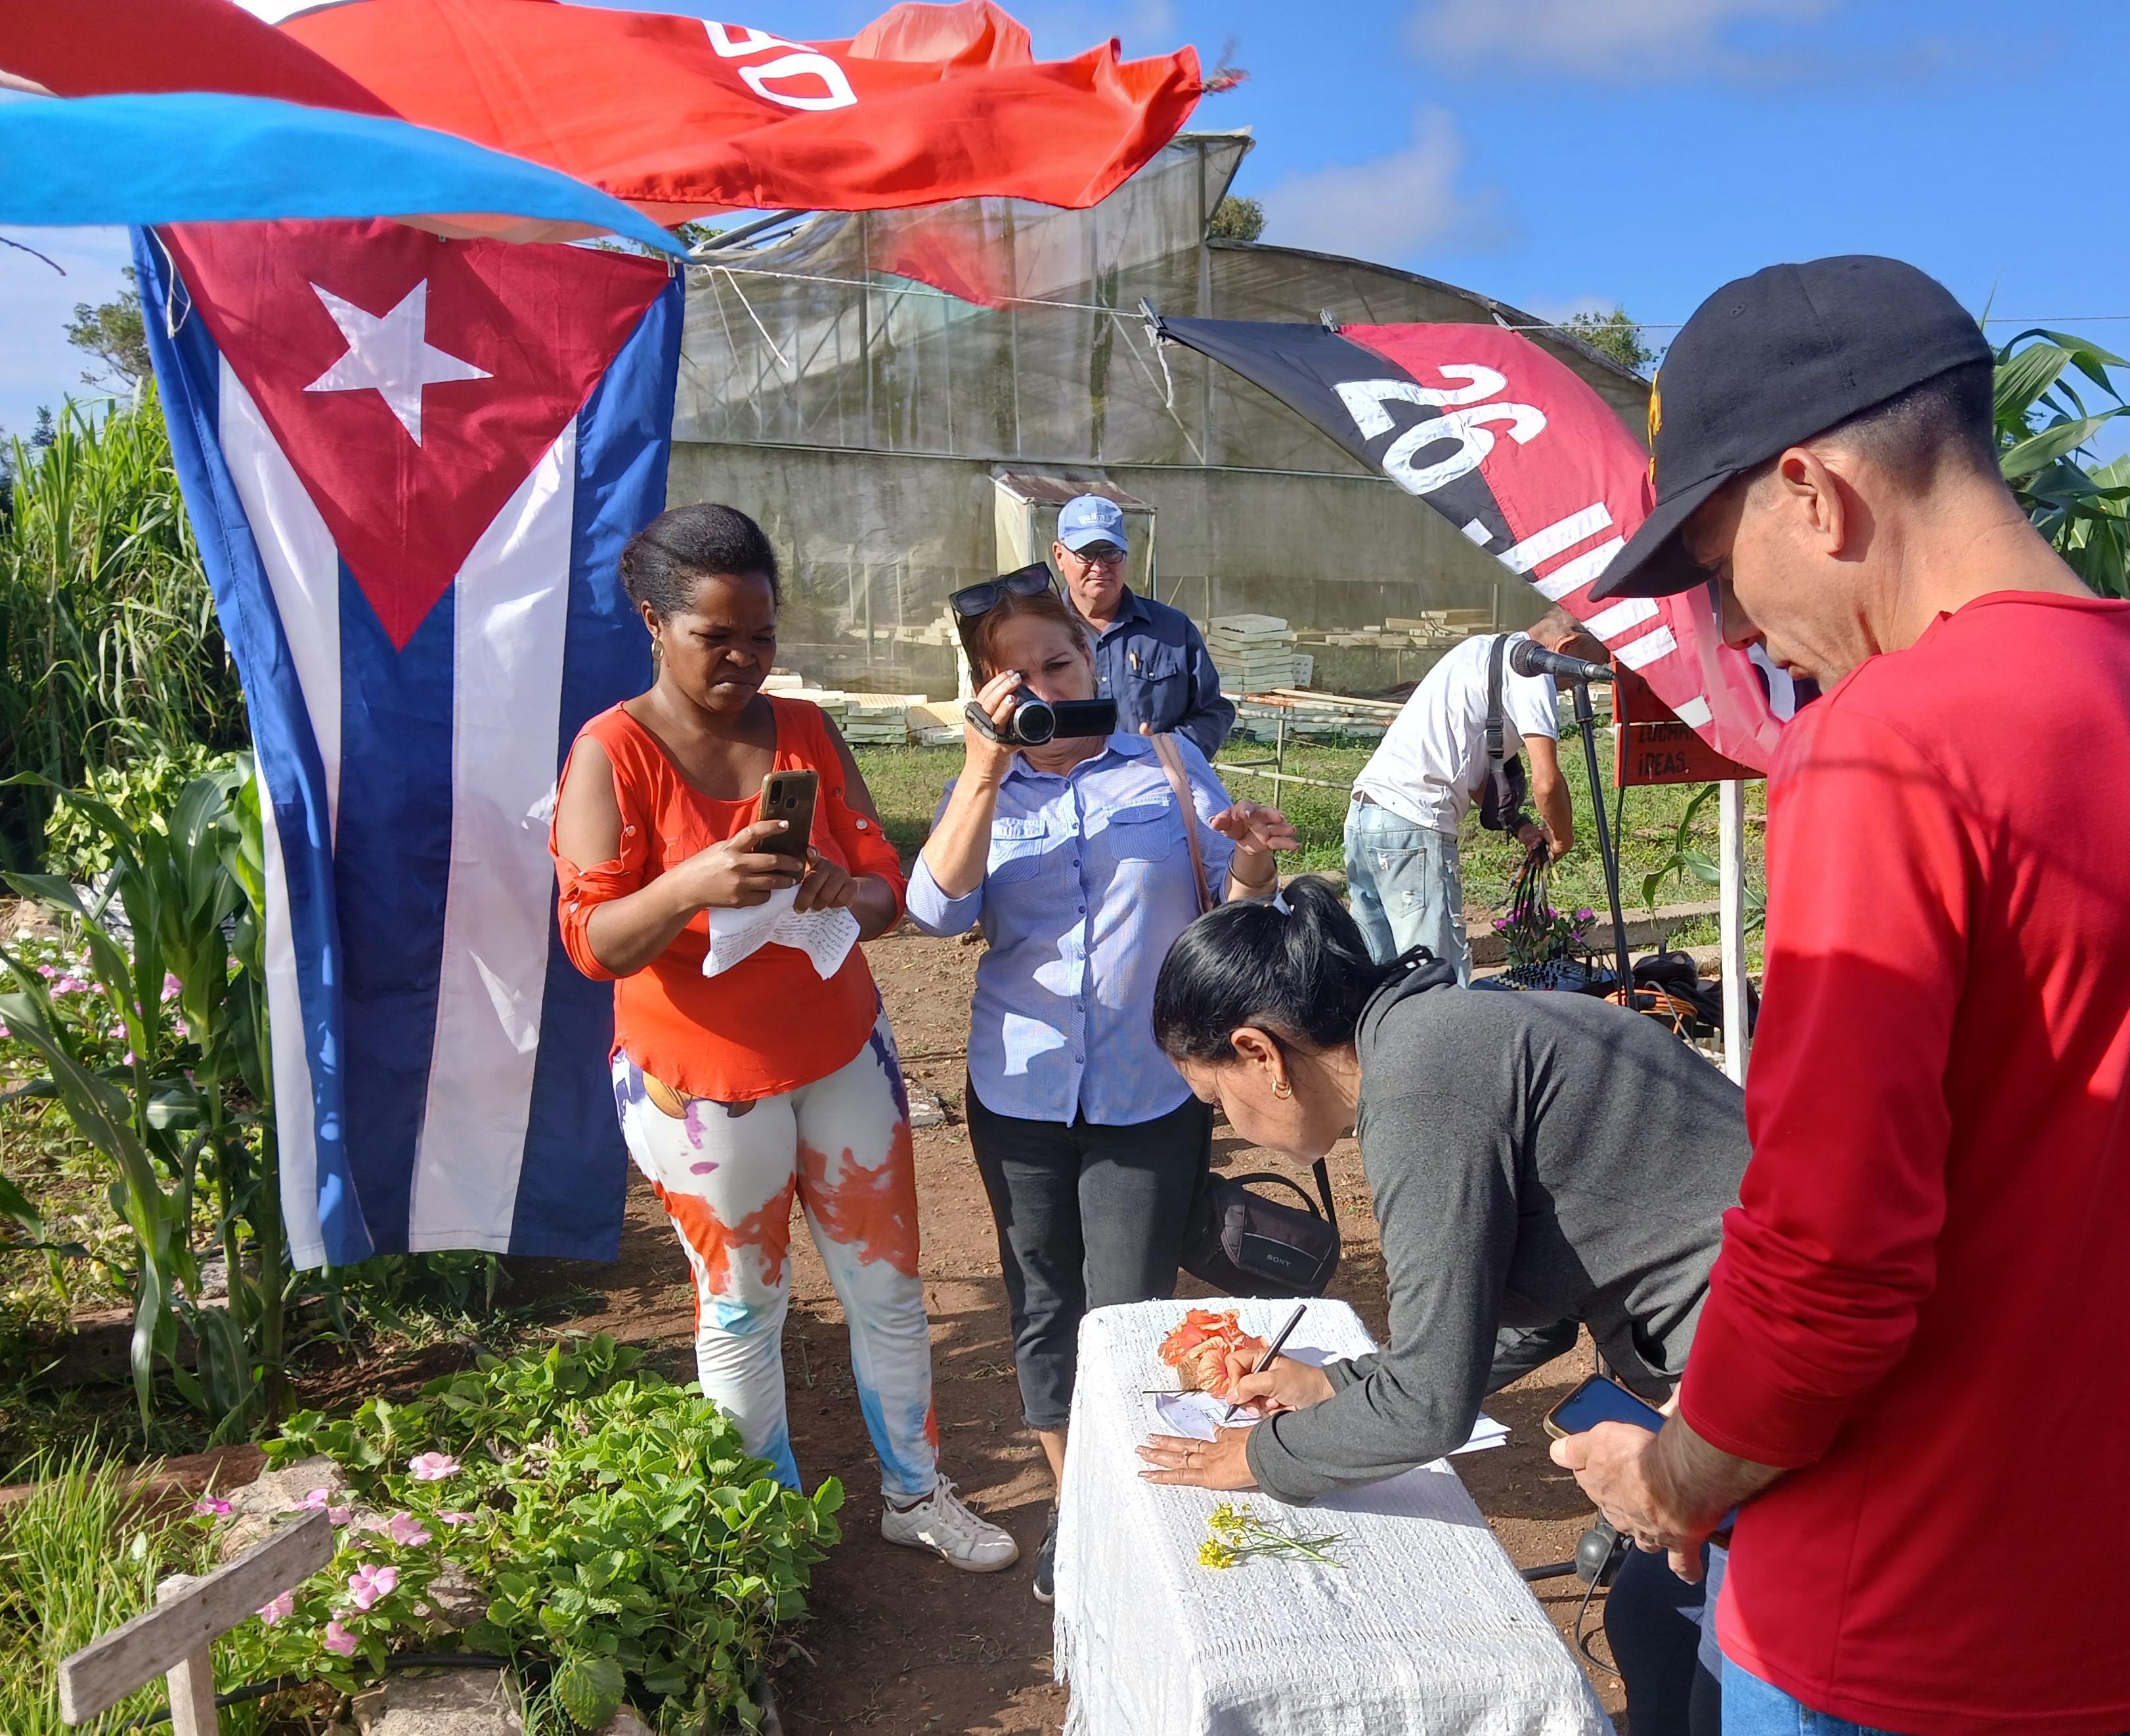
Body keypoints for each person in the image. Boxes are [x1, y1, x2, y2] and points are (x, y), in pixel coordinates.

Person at [1555, 257, 2130, 1736]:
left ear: (1814, 488)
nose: (1733, 636)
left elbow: (1828, 1267)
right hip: (2112, 1587)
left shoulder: (1885, 748)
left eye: (1723, 570)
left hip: (1908, 1617)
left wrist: (1671, 1472)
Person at [551, 502, 1016, 1573]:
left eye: (762, 636)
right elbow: (594, 943)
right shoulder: (611, 756)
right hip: (701, 1089)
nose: (746, 660)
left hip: (841, 1053)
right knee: (744, 1309)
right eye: (718, 636)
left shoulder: (802, 730)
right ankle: (768, 1532)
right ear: (653, 622)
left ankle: (916, 1492)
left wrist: (835, 888)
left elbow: (887, 895)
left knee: (889, 1290)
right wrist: (694, 882)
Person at [907, 569, 1297, 1601]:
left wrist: (1255, 862)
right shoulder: (982, 788)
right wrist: (985, 768)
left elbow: (1233, 894)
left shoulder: (1169, 763)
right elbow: (937, 914)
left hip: (1147, 1091)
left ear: (1093, 658)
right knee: (1043, 1301)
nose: (1044, 682)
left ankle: (1133, 1499)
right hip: (1020, 1092)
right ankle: (1080, 1511)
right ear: (982, 691)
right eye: (1014, 675)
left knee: (1127, 1310)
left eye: (1059, 662)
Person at [1134, 879, 1748, 1509]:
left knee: (1687, 1605)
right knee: (1650, 1611)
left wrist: (1261, 1456)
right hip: (1767, 1344)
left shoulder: (1419, 1094)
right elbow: (1526, 1324)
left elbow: (1427, 1405)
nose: (1232, 1126)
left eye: (1217, 1101)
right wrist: (1332, 1387)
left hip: (1770, 1366)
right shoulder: (1432, 1036)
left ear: (1260, 1053)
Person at [1341, 609, 1583, 984]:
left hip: (1367, 816)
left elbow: (1468, 771)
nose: (1569, 689)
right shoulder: (1532, 671)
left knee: (1380, 976)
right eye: (1576, 678)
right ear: (1569, 647)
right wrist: (1562, 837)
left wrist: (1519, 825)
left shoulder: (1479, 650)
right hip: (1415, 825)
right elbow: (1547, 782)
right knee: (1435, 978)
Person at [1049, 494, 1238, 756]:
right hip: (1067, 788)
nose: (1100, 566)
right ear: (1060, 556)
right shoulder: (1038, 637)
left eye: (1112, 553)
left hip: (1157, 789)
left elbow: (1214, 711)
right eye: (1087, 554)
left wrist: (1167, 749)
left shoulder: (1173, 631)